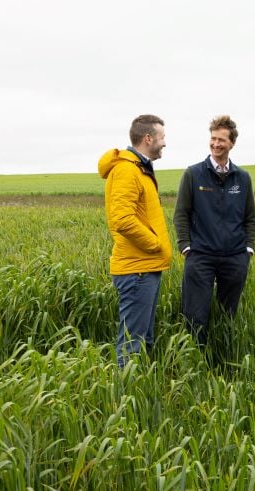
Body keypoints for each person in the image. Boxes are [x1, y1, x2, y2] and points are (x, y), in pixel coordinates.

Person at [174, 115, 255, 346]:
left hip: (234, 257)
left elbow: (250, 217)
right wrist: (185, 247)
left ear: (232, 143)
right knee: (195, 316)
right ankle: (196, 362)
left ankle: (223, 359)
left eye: (222, 140)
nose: (216, 144)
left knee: (227, 315)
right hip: (200, 256)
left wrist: (248, 249)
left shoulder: (242, 178)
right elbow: (181, 213)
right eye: (213, 139)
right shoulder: (193, 174)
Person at [97, 114, 173, 366]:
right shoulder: (127, 170)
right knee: (132, 346)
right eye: (162, 137)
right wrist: (154, 244)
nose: (165, 143)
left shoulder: (139, 168)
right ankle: (125, 400)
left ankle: (142, 398)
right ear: (148, 138)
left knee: (143, 340)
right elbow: (122, 219)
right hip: (137, 269)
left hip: (145, 267)